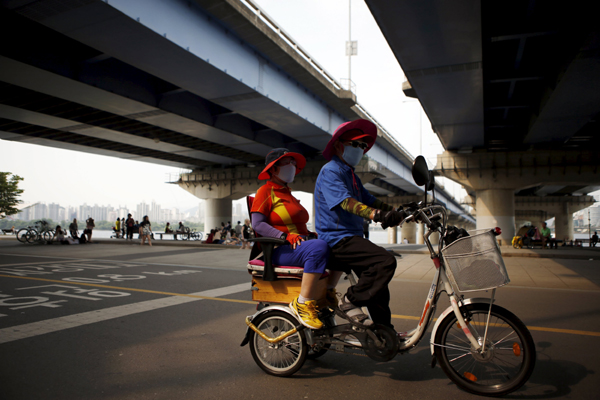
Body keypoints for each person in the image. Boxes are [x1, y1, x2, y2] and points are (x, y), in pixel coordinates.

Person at [315, 119, 408, 329]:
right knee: (384, 261)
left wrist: (397, 211)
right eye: (355, 144)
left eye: (363, 146)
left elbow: (369, 199)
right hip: (337, 239)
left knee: (378, 286)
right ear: (339, 145)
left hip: (352, 238)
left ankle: (384, 332)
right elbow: (347, 202)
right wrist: (378, 216)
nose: (360, 149)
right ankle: (350, 301)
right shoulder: (330, 171)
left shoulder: (351, 175)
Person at [251, 148, 330, 329]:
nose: (292, 166)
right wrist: (285, 236)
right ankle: (302, 303)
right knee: (318, 248)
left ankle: (328, 291)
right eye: (287, 162)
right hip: (280, 249)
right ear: (274, 168)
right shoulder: (265, 191)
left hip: (298, 246)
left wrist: (310, 235)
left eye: (294, 163)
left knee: (334, 244)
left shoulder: (288, 194)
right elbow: (258, 225)